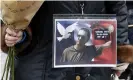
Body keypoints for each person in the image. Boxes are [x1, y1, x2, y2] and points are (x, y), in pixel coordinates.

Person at [1, 1, 129, 80]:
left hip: (92, 68)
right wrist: (17, 34)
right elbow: (15, 8)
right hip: (40, 64)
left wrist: (119, 49)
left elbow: (117, 6)